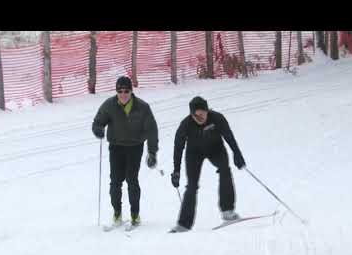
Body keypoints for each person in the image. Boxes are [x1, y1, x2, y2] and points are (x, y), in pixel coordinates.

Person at [169, 96, 246, 233]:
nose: (200, 118)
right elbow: (178, 148)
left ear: (207, 111)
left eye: (203, 114)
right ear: (191, 114)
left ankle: (228, 211)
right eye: (196, 115)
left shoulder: (217, 118)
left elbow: (229, 136)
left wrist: (237, 154)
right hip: (194, 154)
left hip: (216, 149)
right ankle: (184, 224)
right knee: (192, 185)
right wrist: (176, 171)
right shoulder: (185, 124)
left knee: (225, 170)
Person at [92, 76, 158, 231]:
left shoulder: (142, 107)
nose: (123, 94)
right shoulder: (109, 105)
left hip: (135, 147)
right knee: (115, 181)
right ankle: (117, 213)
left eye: (126, 91)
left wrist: (152, 152)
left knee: (131, 180)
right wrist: (98, 129)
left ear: (131, 91)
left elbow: (151, 131)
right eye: (120, 91)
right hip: (116, 147)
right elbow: (98, 121)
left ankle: (135, 214)